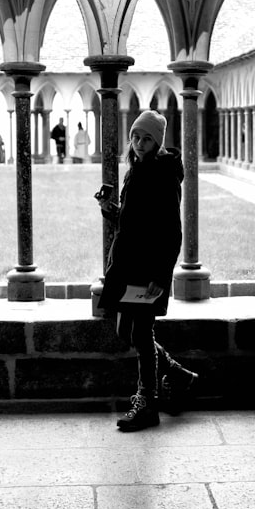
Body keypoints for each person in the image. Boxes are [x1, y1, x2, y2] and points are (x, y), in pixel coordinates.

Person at [95, 109, 198, 432]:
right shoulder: (137, 169)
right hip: (128, 264)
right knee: (126, 331)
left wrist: (159, 277)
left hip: (146, 269)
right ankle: (178, 375)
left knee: (140, 333)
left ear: (158, 142)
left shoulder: (163, 174)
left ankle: (147, 402)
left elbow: (171, 232)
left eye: (147, 138)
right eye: (136, 137)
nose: (139, 143)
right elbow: (137, 220)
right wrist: (113, 212)